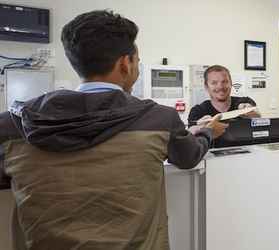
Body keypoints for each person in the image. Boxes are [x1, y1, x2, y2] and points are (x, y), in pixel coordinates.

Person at [0, 10, 226, 249]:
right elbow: (188, 156)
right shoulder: (159, 119)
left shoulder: (13, 125)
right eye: (137, 62)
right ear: (125, 64)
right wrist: (207, 132)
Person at [188, 65, 260, 127]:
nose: (220, 87)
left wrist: (255, 116)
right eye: (214, 83)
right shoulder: (198, 111)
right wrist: (199, 128)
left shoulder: (245, 101)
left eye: (224, 82)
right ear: (206, 87)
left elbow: (257, 118)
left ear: (231, 84)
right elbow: (190, 135)